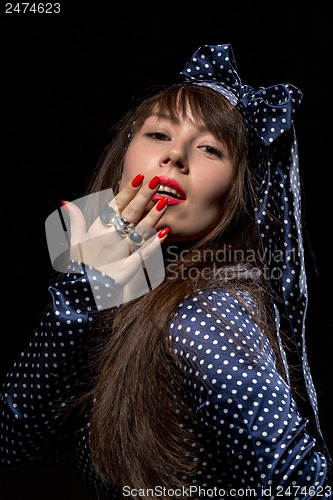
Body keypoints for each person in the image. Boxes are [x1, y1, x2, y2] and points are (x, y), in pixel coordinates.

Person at [0, 43, 332, 499]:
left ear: (238, 199)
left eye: (211, 149)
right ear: (123, 155)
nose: (176, 157)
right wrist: (84, 292)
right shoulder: (110, 293)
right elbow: (17, 446)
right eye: (159, 135)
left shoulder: (205, 316)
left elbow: (304, 487)